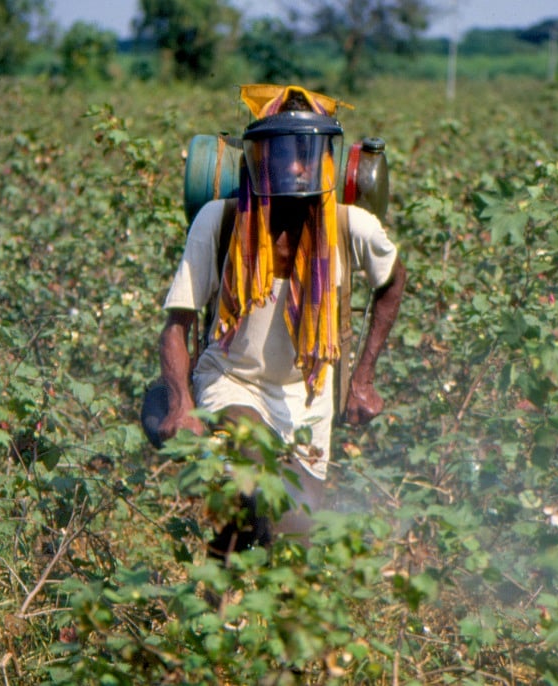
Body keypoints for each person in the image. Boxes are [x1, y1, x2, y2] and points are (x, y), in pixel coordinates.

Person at [156, 85, 406, 561]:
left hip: (306, 397)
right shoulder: (219, 220)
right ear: (258, 158)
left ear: (326, 160)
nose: (295, 166)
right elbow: (176, 325)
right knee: (258, 464)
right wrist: (181, 402)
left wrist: (363, 378)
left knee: (295, 536)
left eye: (305, 153)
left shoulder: (351, 226)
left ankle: (219, 591)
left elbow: (392, 282)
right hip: (233, 381)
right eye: (282, 152)